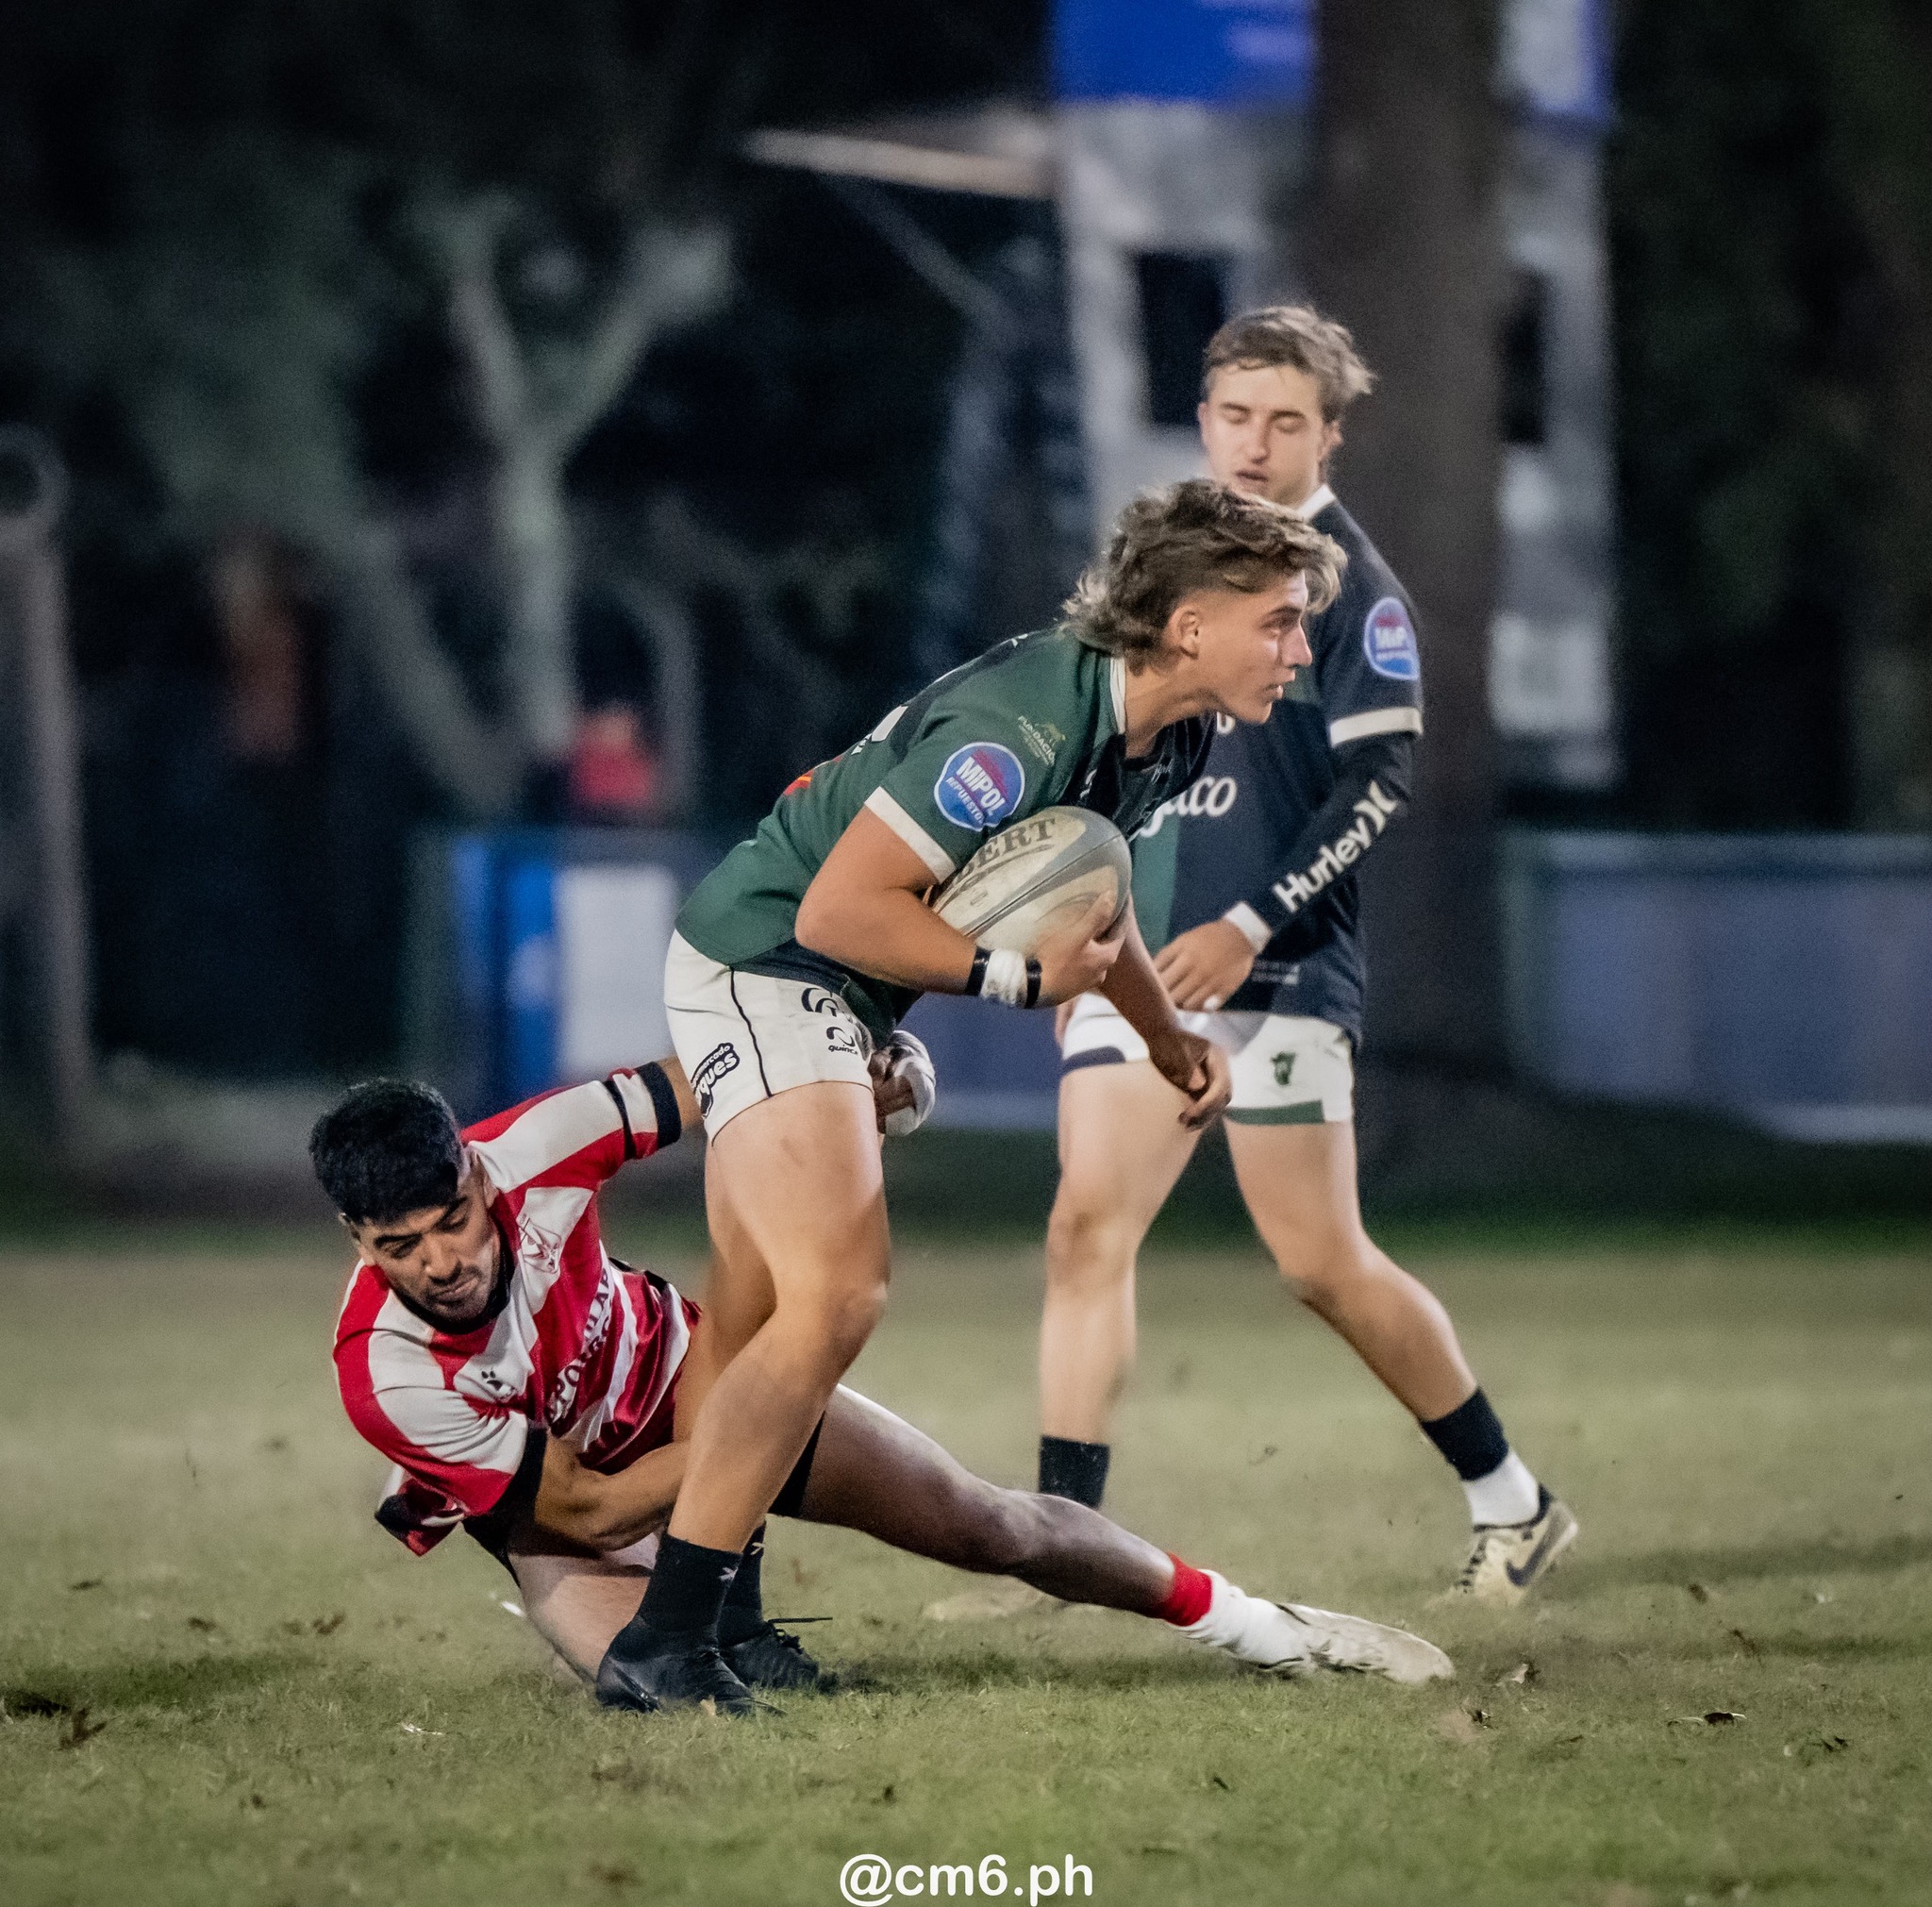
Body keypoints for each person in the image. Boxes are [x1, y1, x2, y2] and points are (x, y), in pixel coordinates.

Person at [610, 480, 1347, 1714]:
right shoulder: (1018, 729)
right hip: (769, 958)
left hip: (823, 986)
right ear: (1187, 626)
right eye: (1276, 619)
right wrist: (1002, 975)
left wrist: (1167, 1045)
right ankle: (664, 1643)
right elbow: (836, 911)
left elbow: (1090, 913)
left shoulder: (1171, 735)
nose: (1300, 646)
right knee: (836, 1293)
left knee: (752, 1316)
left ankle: (713, 1621)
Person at [311, 1065, 1454, 1713]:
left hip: (669, 1371)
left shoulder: (540, 1140)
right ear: (362, 1240)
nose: (442, 1261)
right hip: (561, 1506)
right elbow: (586, 1511)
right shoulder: (385, 1372)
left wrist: (857, 1077)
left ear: (475, 1171)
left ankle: (1261, 1626)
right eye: (400, 1245)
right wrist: (747, 1431)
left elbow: (719, 1070)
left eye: (452, 1220)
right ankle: (726, 1608)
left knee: (985, 1519)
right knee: (672, 1696)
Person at [1038, 308, 1576, 1602]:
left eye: (1286, 420)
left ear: (1330, 434)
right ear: (1205, 419)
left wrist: (1252, 921)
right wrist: (1094, 940)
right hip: (1154, 963)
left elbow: (1380, 783)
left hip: (1278, 968)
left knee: (1319, 1263)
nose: (1254, 443)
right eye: (1234, 414)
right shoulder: (1169, 571)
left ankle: (1515, 1501)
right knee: (1084, 1227)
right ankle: (1054, 1544)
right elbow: (1106, 754)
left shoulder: (1355, 591)